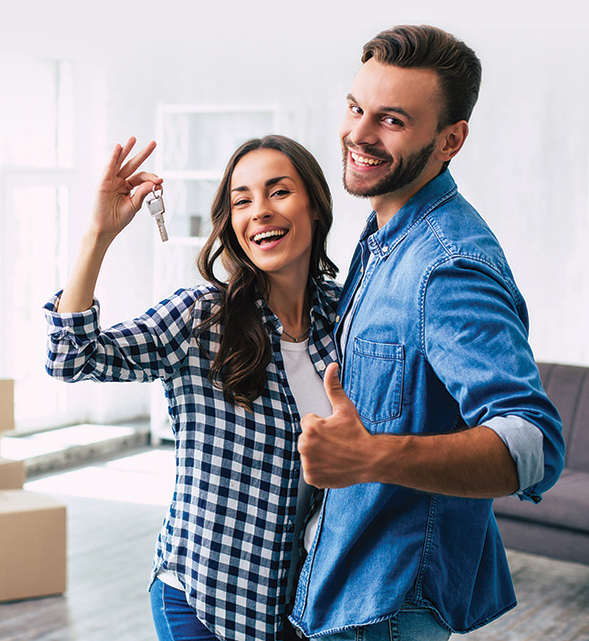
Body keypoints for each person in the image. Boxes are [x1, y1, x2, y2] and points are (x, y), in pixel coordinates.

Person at [290, 25, 565, 640]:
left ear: (451, 140)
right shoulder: (385, 234)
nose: (358, 135)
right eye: (356, 108)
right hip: (346, 583)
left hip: (387, 608)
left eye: (390, 120)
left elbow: (533, 444)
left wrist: (370, 456)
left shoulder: (447, 265)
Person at [44, 134, 341, 641]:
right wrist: (98, 234)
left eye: (279, 192)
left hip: (305, 606)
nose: (260, 212)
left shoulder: (345, 316)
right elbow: (72, 358)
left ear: (315, 205)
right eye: (242, 200)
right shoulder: (201, 317)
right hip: (204, 602)